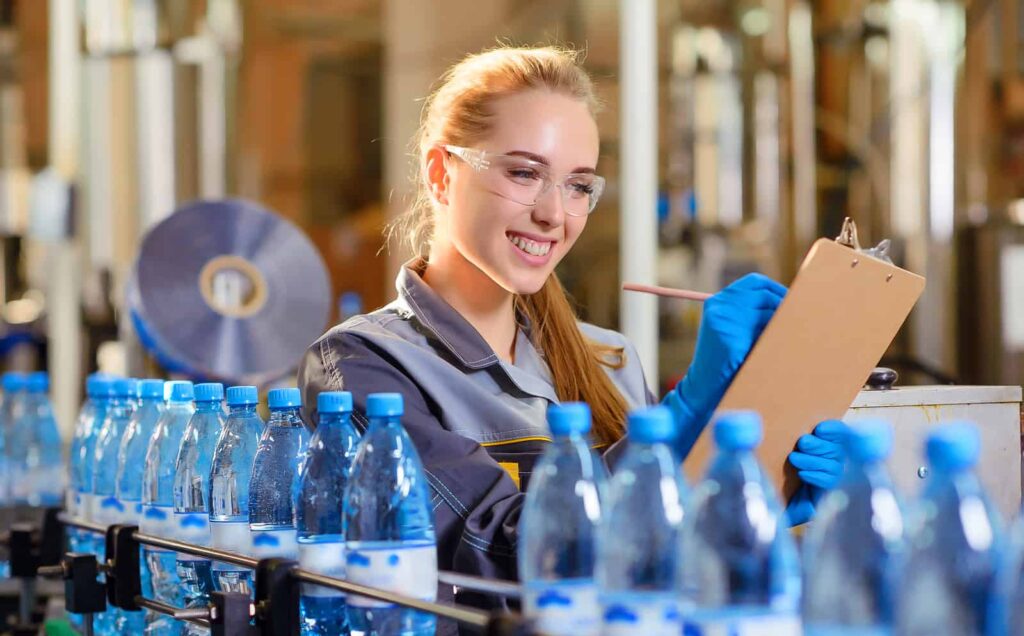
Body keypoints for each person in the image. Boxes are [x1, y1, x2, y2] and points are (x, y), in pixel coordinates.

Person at [297, 45, 845, 585]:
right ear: (442, 174)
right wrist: (686, 410)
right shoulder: (363, 365)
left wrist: (767, 508)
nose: (552, 214)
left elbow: (656, 565)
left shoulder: (611, 359)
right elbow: (500, 553)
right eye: (523, 174)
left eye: (578, 185)